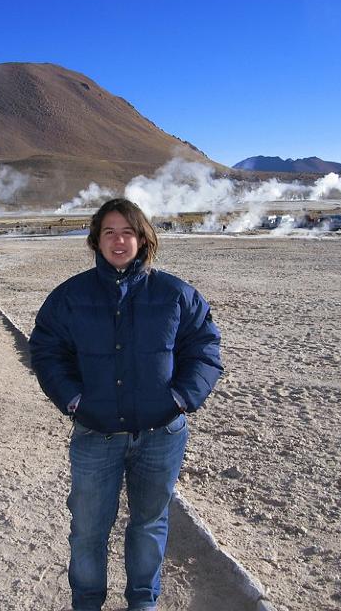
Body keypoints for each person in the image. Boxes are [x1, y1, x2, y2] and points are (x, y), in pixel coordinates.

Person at [29, 198, 222, 611]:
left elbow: (205, 347)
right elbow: (46, 350)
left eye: (128, 231)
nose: (119, 240)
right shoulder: (70, 296)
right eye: (109, 232)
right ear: (96, 241)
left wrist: (181, 397)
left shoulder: (175, 293)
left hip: (161, 434)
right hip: (96, 433)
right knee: (87, 531)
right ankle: (87, 602)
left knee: (149, 525)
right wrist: (74, 399)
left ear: (143, 238)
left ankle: (142, 602)